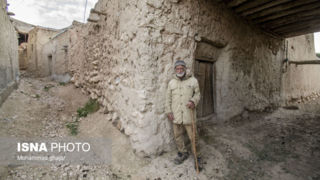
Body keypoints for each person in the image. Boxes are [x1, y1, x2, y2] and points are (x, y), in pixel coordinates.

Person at [165, 60, 202, 170]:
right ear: (175, 70)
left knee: (193, 137)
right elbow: (168, 98)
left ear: (185, 69)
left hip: (188, 115)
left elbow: (198, 94)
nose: (180, 70)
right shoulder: (171, 83)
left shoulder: (193, 81)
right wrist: (168, 111)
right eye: (177, 69)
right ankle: (183, 152)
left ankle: (197, 157)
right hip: (176, 115)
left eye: (181, 68)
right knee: (177, 136)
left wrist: (193, 101)